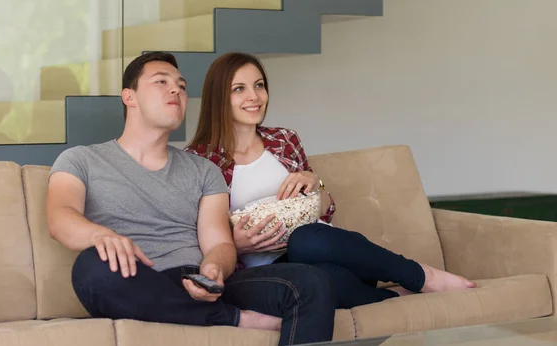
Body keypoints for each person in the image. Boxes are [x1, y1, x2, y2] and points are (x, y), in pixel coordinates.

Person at [46, 52, 336, 346]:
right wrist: (103, 236)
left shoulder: (204, 169)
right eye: (161, 81)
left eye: (182, 86)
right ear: (129, 96)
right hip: (135, 278)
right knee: (90, 269)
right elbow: (60, 218)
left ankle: (211, 311)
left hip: (198, 281)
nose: (176, 90)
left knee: (312, 282)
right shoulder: (81, 159)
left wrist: (214, 269)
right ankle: (233, 319)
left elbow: (220, 244)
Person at [185, 52, 477, 309]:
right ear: (218, 97)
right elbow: (187, 238)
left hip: (333, 251)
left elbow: (325, 210)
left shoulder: (284, 140)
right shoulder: (198, 160)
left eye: (259, 86)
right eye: (239, 89)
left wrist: (314, 182)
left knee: (306, 238)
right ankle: (394, 300)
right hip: (272, 271)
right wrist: (235, 246)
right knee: (322, 280)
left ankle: (420, 275)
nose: (254, 97)